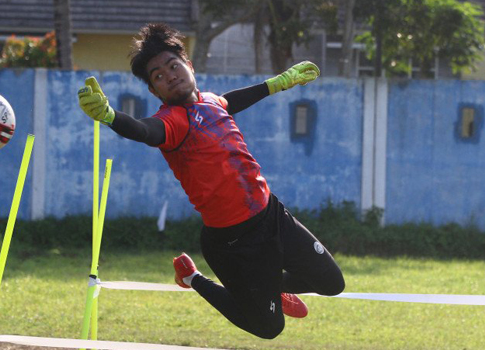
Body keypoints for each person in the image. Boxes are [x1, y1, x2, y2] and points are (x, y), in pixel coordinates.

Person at [77, 23, 345, 339]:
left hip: (272, 216)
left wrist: (277, 84)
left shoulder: (211, 101)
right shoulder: (171, 122)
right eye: (159, 76)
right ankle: (192, 278)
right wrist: (111, 116)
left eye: (174, 66)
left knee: (331, 283)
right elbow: (144, 131)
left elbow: (231, 101)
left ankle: (269, 290)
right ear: (154, 91)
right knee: (269, 328)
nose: (170, 75)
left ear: (189, 66)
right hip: (232, 242)